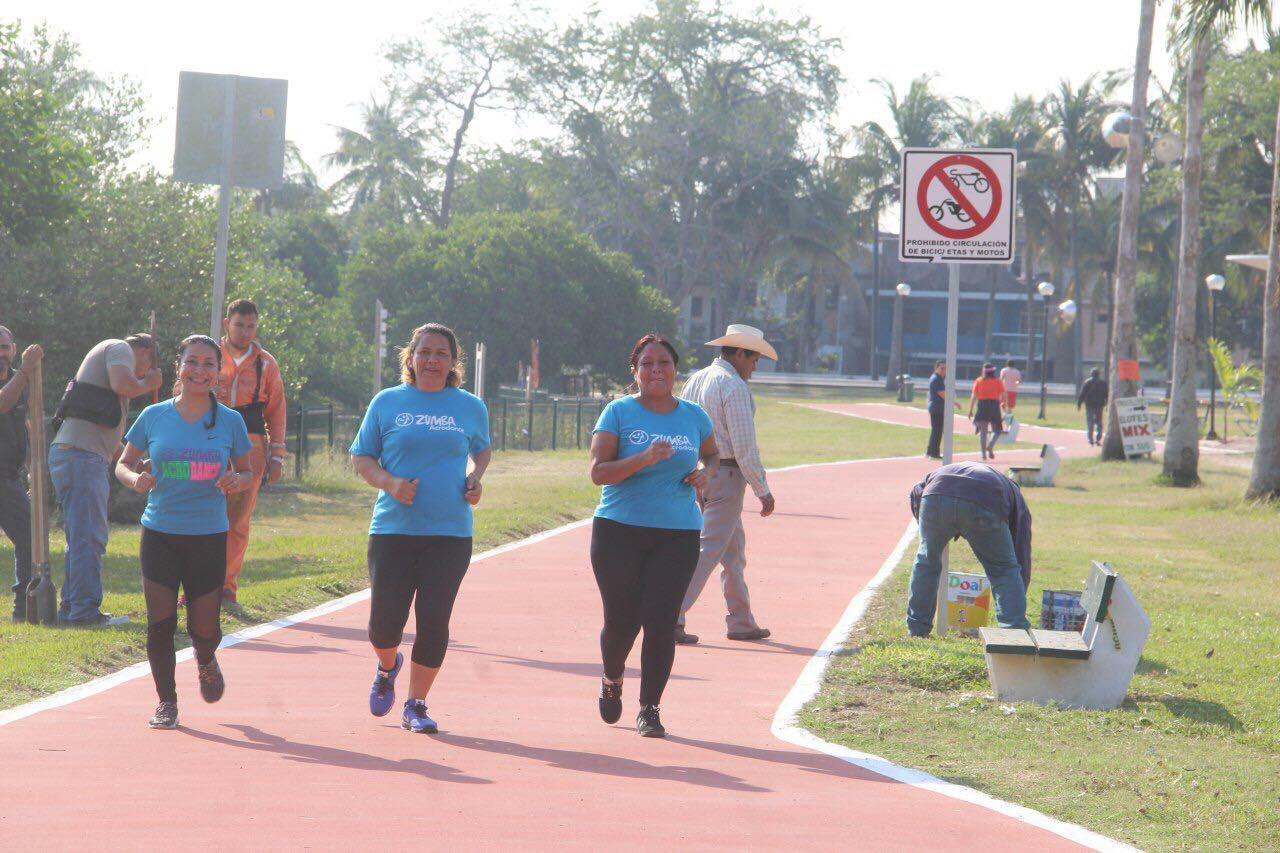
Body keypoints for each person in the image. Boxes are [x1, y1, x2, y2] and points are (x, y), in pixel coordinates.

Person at [350, 323, 490, 735]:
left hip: (450, 533)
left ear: (453, 362)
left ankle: (416, 704)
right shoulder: (387, 402)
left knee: (434, 620)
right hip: (393, 529)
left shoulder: (470, 406)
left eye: (441, 354)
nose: (432, 360)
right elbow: (362, 457)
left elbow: (480, 451)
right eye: (424, 352)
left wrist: (475, 478)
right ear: (410, 358)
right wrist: (391, 483)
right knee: (384, 625)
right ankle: (387, 666)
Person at [116, 335, 254, 728]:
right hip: (160, 532)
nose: (199, 370)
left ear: (218, 371)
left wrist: (237, 481)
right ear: (179, 367)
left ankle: (205, 657)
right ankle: (167, 702)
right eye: (192, 362)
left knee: (204, 627)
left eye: (208, 364)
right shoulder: (154, 416)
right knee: (160, 622)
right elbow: (123, 464)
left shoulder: (230, 420)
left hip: (208, 536)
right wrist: (135, 480)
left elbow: (247, 471)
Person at [590, 334, 718, 738]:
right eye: (647, 363)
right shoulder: (618, 412)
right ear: (635, 372)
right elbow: (598, 472)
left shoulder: (694, 416)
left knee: (661, 621)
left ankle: (650, 708)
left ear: (675, 370)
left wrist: (706, 473)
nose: (656, 370)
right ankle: (612, 678)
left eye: (663, 362)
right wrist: (643, 458)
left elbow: (712, 454)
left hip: (677, 533)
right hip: (619, 531)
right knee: (622, 622)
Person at [50, 334, 162, 626]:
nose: (145, 371)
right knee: (90, 536)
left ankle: (72, 608)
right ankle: (84, 612)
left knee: (81, 536)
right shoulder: (119, 348)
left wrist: (136, 462)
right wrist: (149, 383)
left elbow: (108, 437)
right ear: (145, 351)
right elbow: (124, 384)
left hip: (76, 454)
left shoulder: (108, 359)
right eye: (150, 364)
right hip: (82, 457)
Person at [674, 324, 776, 646]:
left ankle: (741, 620)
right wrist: (762, 489)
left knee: (732, 554)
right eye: (754, 360)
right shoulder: (733, 386)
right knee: (707, 551)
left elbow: (683, 425)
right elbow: (744, 446)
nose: (754, 368)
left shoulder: (696, 379)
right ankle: (671, 615)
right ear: (740, 353)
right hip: (726, 475)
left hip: (698, 474)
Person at [905, 461, 1032, 637]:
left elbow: (916, 494)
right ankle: (1015, 634)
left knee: (926, 562)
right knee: (1003, 569)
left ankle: (917, 629)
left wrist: (930, 531)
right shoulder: (1015, 496)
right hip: (983, 498)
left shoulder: (933, 476)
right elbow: (1021, 549)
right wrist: (1019, 587)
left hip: (935, 494)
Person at [215, 298, 288, 604]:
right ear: (226, 324)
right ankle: (197, 587)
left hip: (251, 442)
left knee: (237, 519)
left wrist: (277, 455)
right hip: (210, 440)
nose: (245, 332)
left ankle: (226, 587)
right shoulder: (208, 355)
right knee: (203, 516)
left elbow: (277, 410)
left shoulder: (267, 363)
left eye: (251, 326)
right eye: (239, 325)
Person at [0, 328, 41, 622]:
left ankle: (23, 609)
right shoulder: (21, 378)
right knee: (30, 535)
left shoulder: (19, 379)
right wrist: (26, 369)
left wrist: (32, 470)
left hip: (8, 477)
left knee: (29, 537)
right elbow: (3, 403)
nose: (0, 354)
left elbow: (25, 426)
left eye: (4, 347)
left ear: (13, 349)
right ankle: (23, 609)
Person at [968, 363, 1007, 461]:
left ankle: (983, 454)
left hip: (982, 406)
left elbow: (974, 396)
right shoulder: (998, 381)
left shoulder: (979, 381)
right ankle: (990, 445)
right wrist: (1004, 405)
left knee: (983, 431)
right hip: (994, 405)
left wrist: (970, 410)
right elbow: (1004, 395)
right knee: (997, 430)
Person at [925, 359, 961, 460]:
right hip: (937, 408)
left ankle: (930, 451)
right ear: (936, 368)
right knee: (937, 431)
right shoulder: (936, 379)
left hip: (937, 407)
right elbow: (943, 394)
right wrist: (954, 402)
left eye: (945, 368)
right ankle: (934, 453)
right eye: (941, 368)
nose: (944, 370)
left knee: (936, 430)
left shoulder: (939, 378)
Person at [1078, 367, 1108, 446]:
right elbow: (1107, 395)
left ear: (1091, 374)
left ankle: (1090, 439)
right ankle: (1098, 439)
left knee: (1090, 422)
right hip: (1099, 405)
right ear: (1099, 374)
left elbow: (1082, 394)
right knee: (1099, 423)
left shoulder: (1087, 382)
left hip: (1089, 405)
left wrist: (1079, 404)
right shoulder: (1103, 383)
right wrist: (1107, 404)